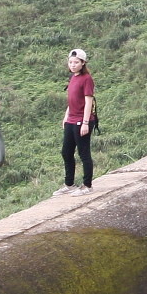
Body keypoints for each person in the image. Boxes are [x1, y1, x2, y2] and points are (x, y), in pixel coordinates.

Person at [59, 48, 96, 193]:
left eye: (76, 62)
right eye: (71, 62)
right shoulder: (73, 78)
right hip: (72, 119)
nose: (73, 65)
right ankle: (69, 184)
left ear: (83, 63)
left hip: (82, 120)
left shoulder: (87, 79)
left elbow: (88, 102)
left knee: (83, 153)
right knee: (66, 152)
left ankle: (87, 185)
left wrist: (86, 122)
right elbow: (72, 100)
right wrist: (66, 116)